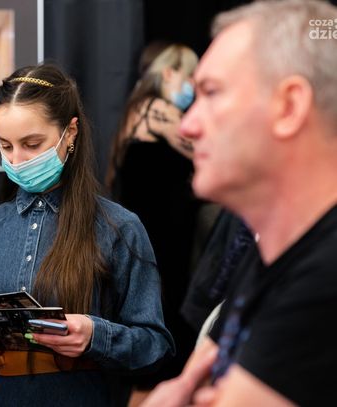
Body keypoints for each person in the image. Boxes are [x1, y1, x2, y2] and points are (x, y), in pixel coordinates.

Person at [0, 63, 174, 406]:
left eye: (32, 144)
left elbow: (155, 347)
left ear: (70, 133)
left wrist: (96, 335)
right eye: (5, 145)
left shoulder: (119, 228)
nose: (17, 160)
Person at [141, 1, 337, 406]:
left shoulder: (325, 276)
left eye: (212, 93)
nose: (188, 125)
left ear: (289, 107)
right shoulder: (273, 251)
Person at [106, 44, 202, 389]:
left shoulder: (135, 108)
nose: (194, 84)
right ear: (169, 73)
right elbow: (205, 151)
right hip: (164, 229)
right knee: (172, 300)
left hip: (145, 229)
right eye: (189, 75)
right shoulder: (159, 109)